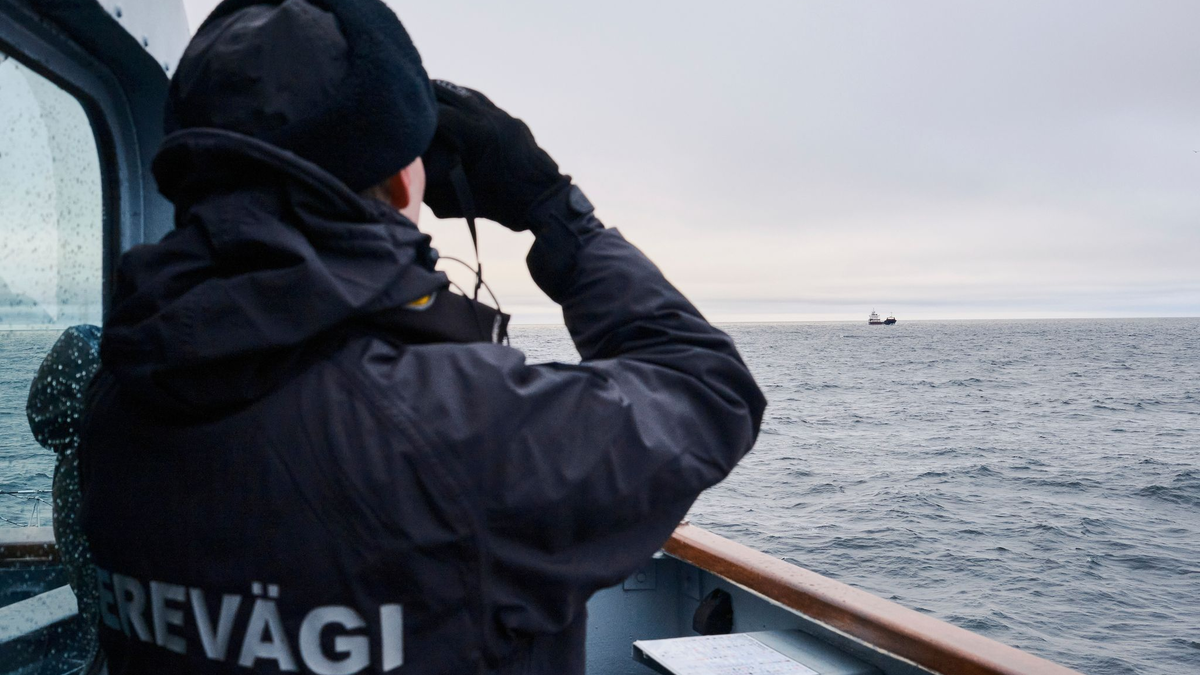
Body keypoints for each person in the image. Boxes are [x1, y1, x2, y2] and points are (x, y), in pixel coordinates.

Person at [79, 0, 765, 673]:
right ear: (404, 182)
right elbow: (710, 388)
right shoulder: (452, 429)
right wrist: (557, 211)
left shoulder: (117, 396)